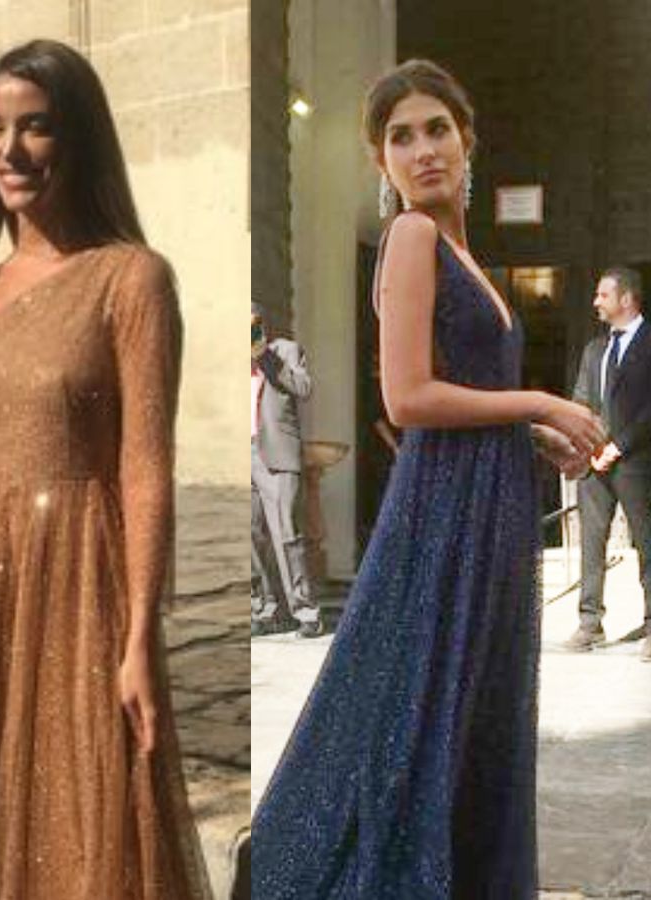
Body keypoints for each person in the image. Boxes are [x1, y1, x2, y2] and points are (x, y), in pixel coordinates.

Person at [0, 39, 208, 898]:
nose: (9, 150)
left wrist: (139, 640)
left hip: (81, 587)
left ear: (78, 139)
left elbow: (144, 470)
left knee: (85, 809)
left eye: (36, 127)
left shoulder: (131, 280)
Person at [251, 60, 602, 898]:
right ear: (381, 162)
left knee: (466, 713)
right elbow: (406, 398)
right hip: (442, 516)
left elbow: (464, 394)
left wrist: (527, 433)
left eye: (436, 129)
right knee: (418, 716)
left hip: (485, 506)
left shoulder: (462, 253)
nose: (422, 150)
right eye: (399, 138)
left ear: (467, 139)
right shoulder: (412, 237)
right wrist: (544, 398)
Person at [567, 268, 651, 660]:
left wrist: (620, 444)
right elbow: (582, 399)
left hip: (637, 462)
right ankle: (589, 622)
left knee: (646, 543)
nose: (596, 302)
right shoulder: (594, 349)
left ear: (627, 299)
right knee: (591, 541)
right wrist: (584, 443)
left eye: (603, 295)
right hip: (593, 462)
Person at [251, 304, 318, 637]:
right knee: (250, 535)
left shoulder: (285, 351)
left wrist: (265, 357)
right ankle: (264, 609)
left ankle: (306, 612)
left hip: (276, 453)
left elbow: (303, 389)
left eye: (252, 325)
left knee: (287, 532)